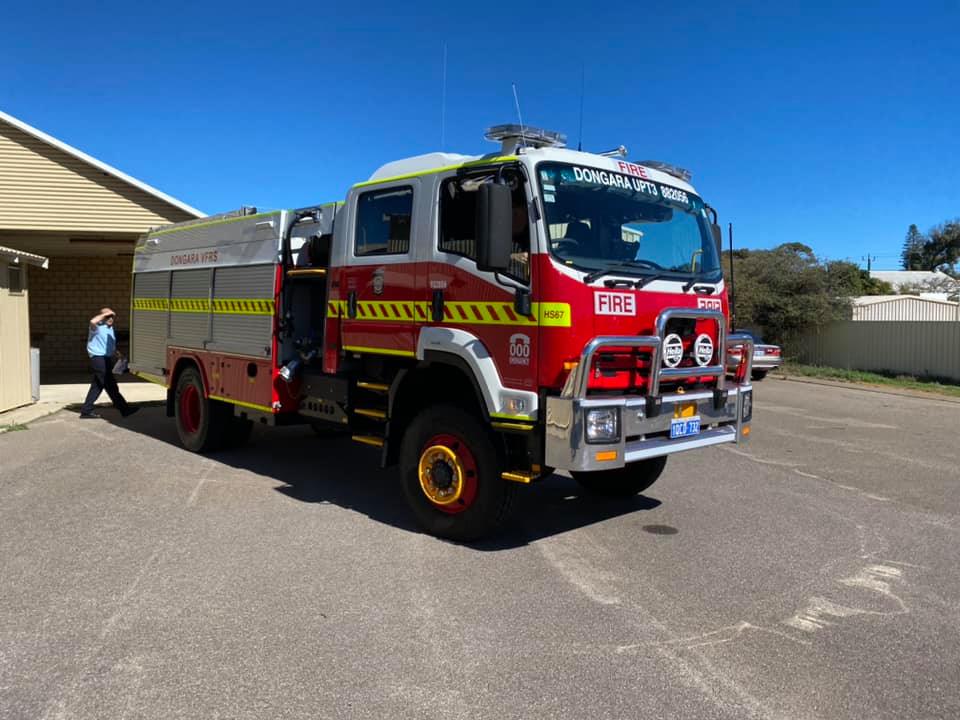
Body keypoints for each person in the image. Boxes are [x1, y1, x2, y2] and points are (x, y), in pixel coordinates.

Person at [79, 308, 138, 419]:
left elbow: (109, 344)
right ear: (102, 317)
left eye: (112, 317)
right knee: (110, 384)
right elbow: (92, 321)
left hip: (106, 358)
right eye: (107, 316)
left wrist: (118, 354)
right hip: (98, 358)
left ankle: (86, 410)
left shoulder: (110, 329)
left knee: (97, 386)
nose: (110, 318)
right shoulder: (96, 327)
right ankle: (124, 409)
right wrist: (106, 313)